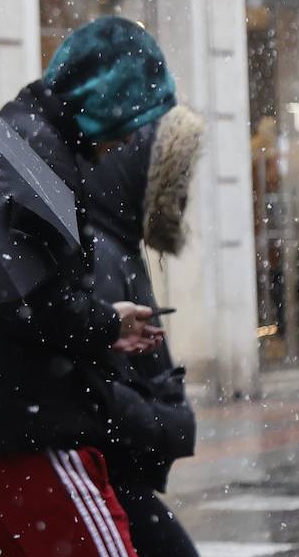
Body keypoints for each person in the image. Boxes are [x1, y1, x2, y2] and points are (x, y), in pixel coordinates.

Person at [0, 16, 173, 557]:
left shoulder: (19, 133)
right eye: (133, 119)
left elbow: (25, 287)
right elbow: (33, 302)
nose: (132, 138)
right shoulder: (42, 158)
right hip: (28, 423)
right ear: (104, 97)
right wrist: (106, 322)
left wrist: (107, 323)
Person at [83, 105, 205, 557]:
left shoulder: (115, 247)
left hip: (114, 477)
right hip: (110, 479)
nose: (184, 199)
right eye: (178, 183)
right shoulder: (104, 254)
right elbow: (100, 390)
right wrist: (167, 423)